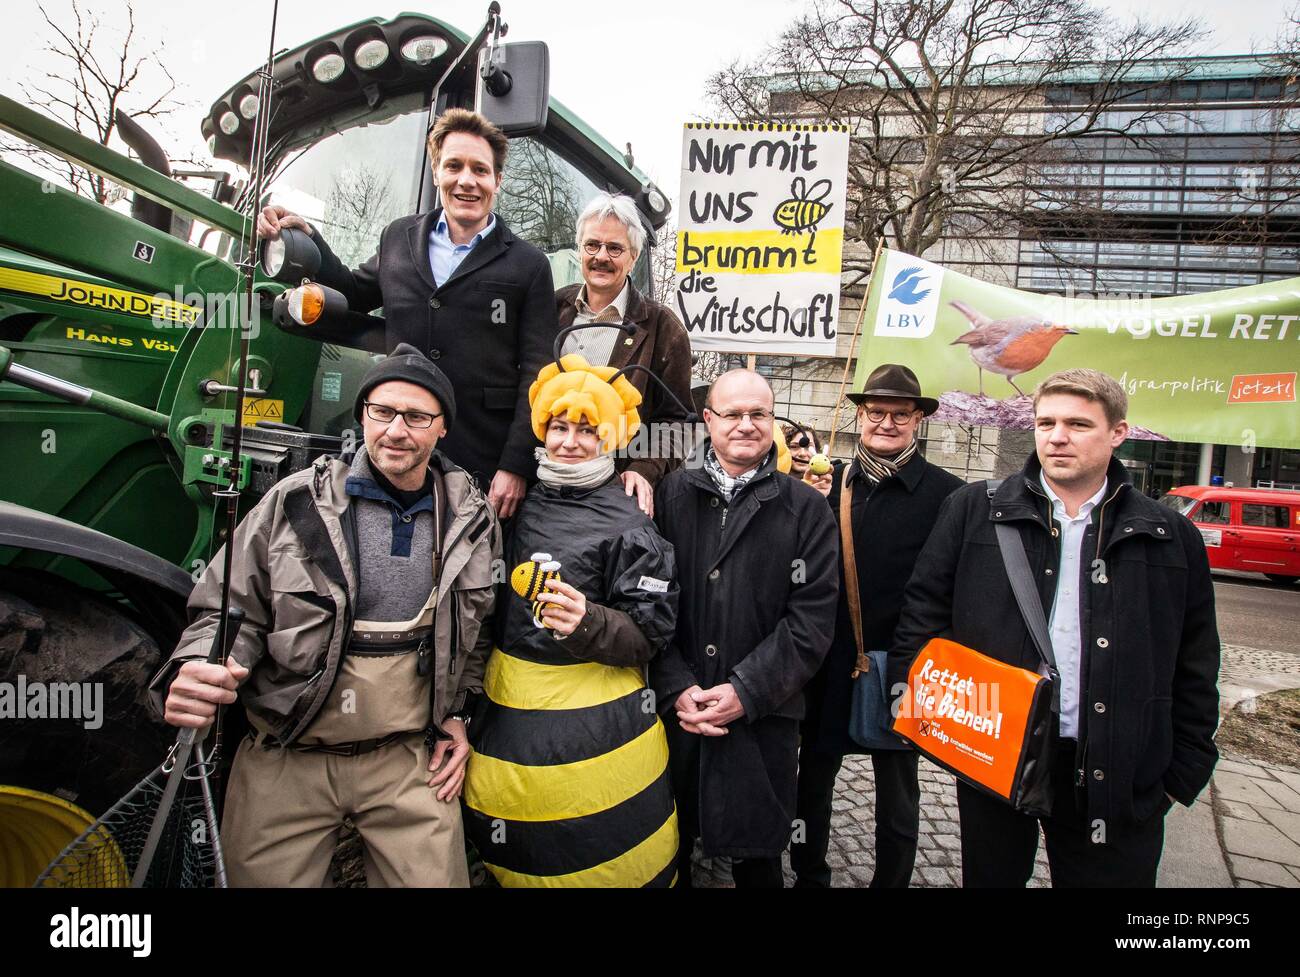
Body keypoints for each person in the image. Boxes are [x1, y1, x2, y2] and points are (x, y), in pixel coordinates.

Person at [150, 345, 501, 887]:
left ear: (442, 430)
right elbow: (230, 610)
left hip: (408, 759)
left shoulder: (473, 520)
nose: (397, 430)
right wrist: (200, 666)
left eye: (416, 417)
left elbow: (475, 636)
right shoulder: (294, 503)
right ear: (363, 415)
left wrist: (460, 714)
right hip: (286, 756)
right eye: (382, 412)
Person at [889, 368, 1220, 887]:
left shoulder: (1169, 535)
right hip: (997, 750)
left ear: (1118, 433)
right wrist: (930, 710)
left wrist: (1185, 770)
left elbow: (1195, 660)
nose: (1057, 436)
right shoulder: (976, 509)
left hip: (1116, 763)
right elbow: (923, 614)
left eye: (1078, 424)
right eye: (1046, 422)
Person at [256, 108, 559, 517]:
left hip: (482, 453)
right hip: (400, 444)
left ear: (497, 181)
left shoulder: (529, 264)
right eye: (453, 166)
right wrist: (311, 241)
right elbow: (352, 292)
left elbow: (539, 372)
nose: (466, 180)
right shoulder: (398, 237)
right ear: (437, 172)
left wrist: (515, 464)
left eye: (480, 170)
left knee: (471, 568)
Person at [462, 353, 680, 886]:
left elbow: (652, 632)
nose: (568, 442)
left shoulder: (632, 522)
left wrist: (589, 621)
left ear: (608, 438)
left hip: (598, 729)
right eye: (559, 427)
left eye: (586, 430)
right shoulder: (518, 503)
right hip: (508, 718)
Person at [651, 369, 839, 888]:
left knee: (759, 856)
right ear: (708, 420)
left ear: (772, 422)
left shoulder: (806, 508)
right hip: (678, 714)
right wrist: (675, 686)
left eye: (759, 414)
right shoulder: (670, 496)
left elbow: (813, 619)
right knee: (670, 849)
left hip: (763, 716)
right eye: (733, 413)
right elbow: (650, 605)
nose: (746, 425)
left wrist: (746, 691)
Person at [792, 364, 963, 888]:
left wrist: (923, 664)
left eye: (900, 415)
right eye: (875, 413)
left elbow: (949, 588)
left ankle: (891, 881)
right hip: (828, 659)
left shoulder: (947, 494)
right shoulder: (828, 480)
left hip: (903, 663)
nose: (886, 423)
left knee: (898, 790)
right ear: (859, 416)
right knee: (813, 785)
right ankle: (809, 875)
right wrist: (809, 504)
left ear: (917, 421)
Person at [555, 192, 693, 515]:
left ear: (633, 257)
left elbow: (679, 423)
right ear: (580, 250)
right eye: (592, 245)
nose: (601, 256)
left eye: (615, 248)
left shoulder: (664, 328)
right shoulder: (552, 309)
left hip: (614, 499)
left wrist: (643, 468)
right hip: (548, 489)